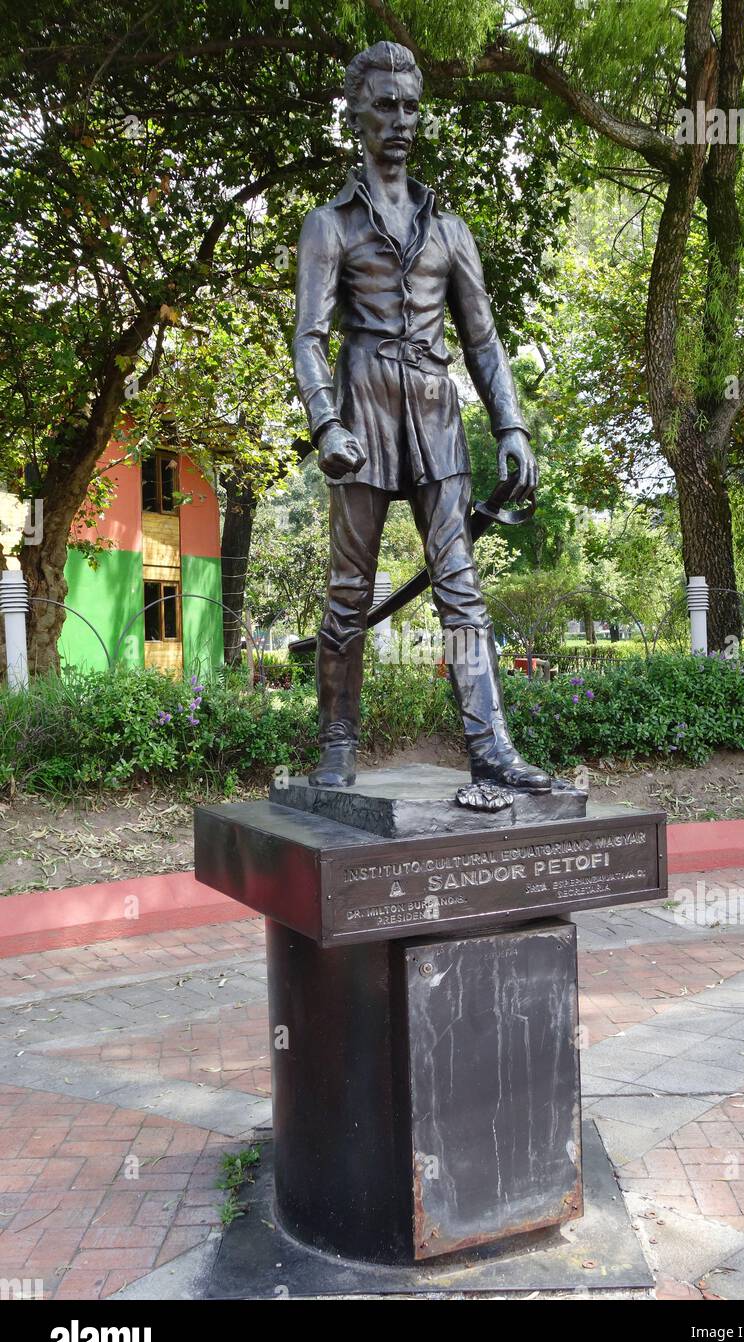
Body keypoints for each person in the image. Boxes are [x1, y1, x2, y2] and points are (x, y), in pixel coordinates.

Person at [293, 41, 550, 792]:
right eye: (386, 104)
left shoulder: (450, 230)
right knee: (350, 589)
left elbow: (484, 341)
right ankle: (338, 744)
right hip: (363, 407)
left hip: (437, 415)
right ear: (358, 114)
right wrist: (324, 423)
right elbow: (309, 336)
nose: (401, 119)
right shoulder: (327, 226)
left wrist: (511, 426)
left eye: (411, 106)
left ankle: (491, 746)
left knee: (461, 589)